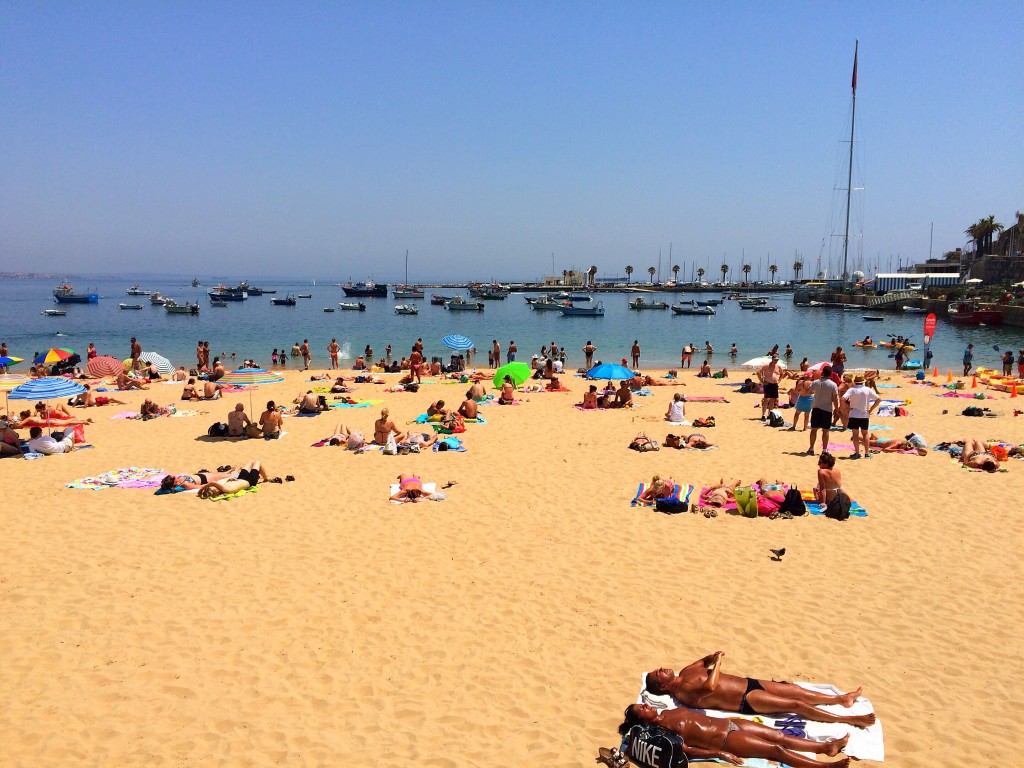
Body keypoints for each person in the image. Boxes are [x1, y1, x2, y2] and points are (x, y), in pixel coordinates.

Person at [645, 652, 871, 726]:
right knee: (796, 705)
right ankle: (850, 720)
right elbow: (711, 686)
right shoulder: (684, 691)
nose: (663, 668)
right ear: (663, 686)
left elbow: (703, 663)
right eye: (659, 673)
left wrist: (712, 657)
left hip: (749, 682)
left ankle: (842, 700)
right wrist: (720, 664)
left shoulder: (685, 672)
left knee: (796, 691)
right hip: (746, 699)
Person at [620, 704, 852, 768]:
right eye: (643, 709)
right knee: (776, 751)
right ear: (643, 720)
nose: (647, 706)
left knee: (779, 736)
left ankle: (825, 749)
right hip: (726, 740)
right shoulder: (662, 732)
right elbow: (687, 750)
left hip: (730, 724)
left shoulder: (668, 711)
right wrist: (719, 753)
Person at [843, 374, 880, 458]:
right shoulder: (867, 389)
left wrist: (846, 408)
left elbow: (843, 398)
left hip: (854, 414)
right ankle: (867, 453)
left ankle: (857, 453)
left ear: (855, 382)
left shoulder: (851, 390)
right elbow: (879, 399)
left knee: (855, 435)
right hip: (864, 415)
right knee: (865, 434)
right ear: (863, 381)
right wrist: (871, 409)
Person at [807, 365, 840, 455]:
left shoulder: (816, 382)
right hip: (827, 409)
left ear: (822, 373)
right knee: (825, 431)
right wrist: (836, 410)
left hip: (816, 408)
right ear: (830, 374)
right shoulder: (833, 385)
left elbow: (809, 391)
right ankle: (824, 449)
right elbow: (835, 399)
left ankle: (811, 448)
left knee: (814, 430)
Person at [197, 461, 274, 498]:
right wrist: (200, 491)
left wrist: (230, 480)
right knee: (258, 462)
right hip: (250, 481)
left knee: (250, 462)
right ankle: (266, 479)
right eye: (211, 488)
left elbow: (213, 484)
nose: (210, 487)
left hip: (241, 478)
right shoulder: (225, 489)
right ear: (216, 491)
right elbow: (212, 483)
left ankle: (265, 477)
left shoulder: (222, 487)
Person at [757, 355, 783, 419]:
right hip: (768, 384)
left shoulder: (778, 366)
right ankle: (763, 415)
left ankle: (769, 414)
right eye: (775, 360)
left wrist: (779, 381)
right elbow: (758, 372)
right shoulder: (767, 366)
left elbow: (782, 373)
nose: (776, 361)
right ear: (772, 359)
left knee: (773, 399)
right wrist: (762, 381)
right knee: (766, 399)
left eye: (777, 360)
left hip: (775, 385)